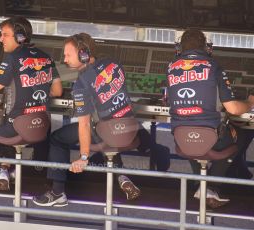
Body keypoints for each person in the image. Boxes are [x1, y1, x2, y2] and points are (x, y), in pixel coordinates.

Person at [32, 33, 165, 207]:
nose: (64, 60)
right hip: (129, 128)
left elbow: (84, 124)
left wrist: (84, 157)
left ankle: (57, 192)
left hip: (107, 131)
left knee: (58, 139)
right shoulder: (114, 63)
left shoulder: (81, 85)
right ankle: (122, 176)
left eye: (68, 55)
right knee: (105, 128)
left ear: (83, 54)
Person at [166, 29, 254, 208]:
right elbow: (232, 108)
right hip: (211, 136)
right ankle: (213, 187)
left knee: (195, 142)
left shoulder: (170, 67)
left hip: (181, 137)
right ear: (206, 48)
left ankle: (200, 185)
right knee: (239, 135)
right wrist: (250, 102)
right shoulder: (214, 66)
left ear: (179, 48)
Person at [0, 16, 62, 191]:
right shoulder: (46, 58)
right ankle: (7, 167)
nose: (0, 39)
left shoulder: (12, 58)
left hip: (15, 128)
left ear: (20, 37)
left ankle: (0, 171)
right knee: (3, 123)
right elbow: (57, 91)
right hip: (40, 127)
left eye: (5, 35)